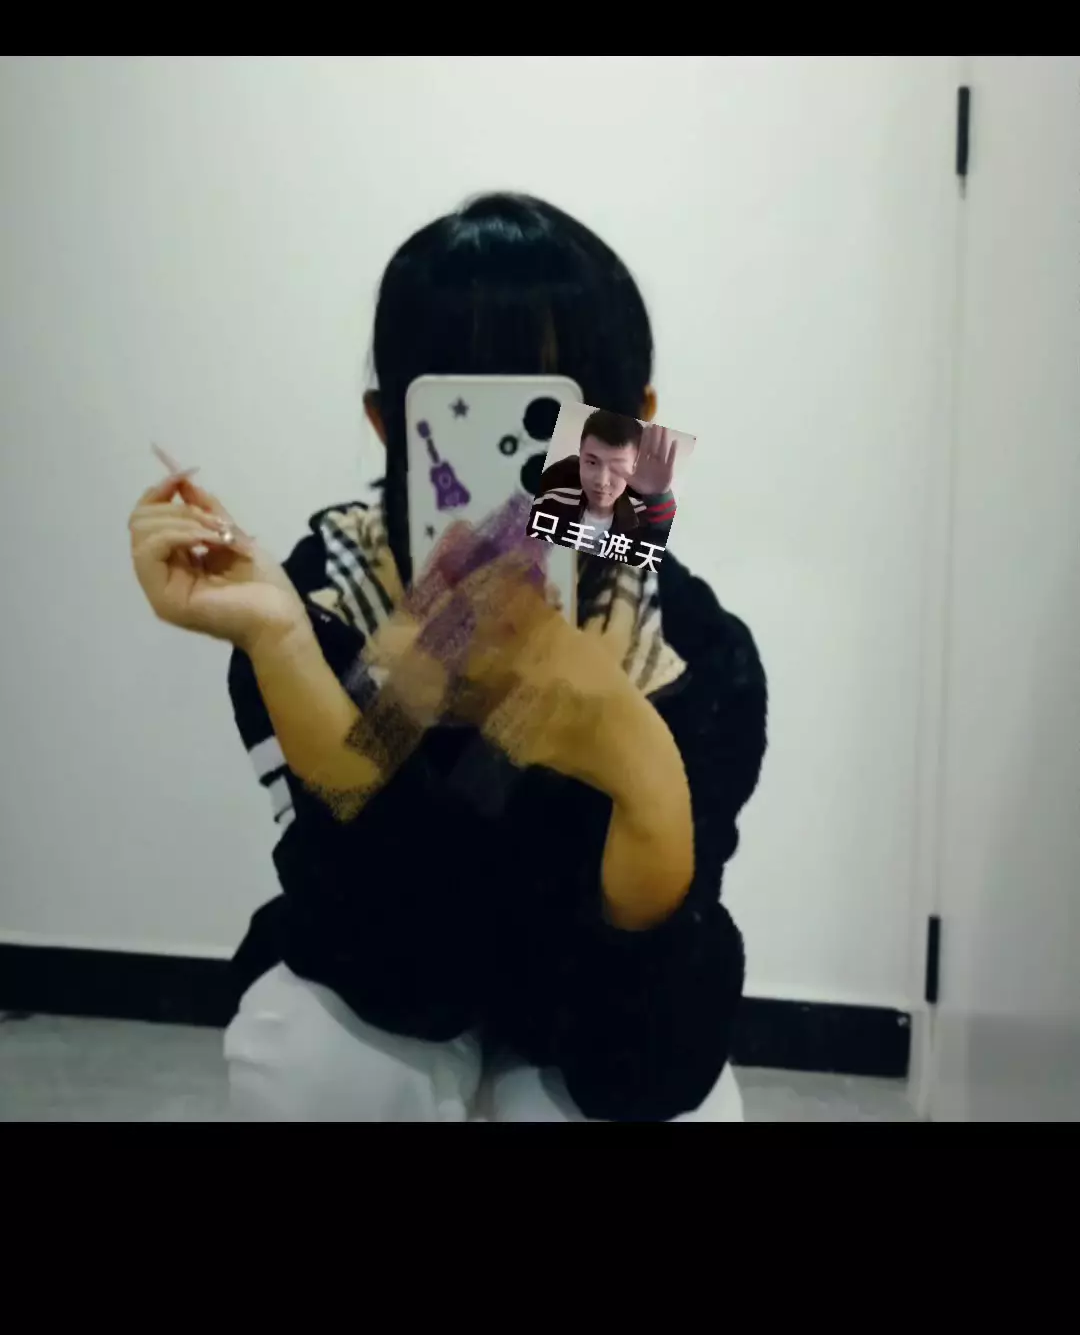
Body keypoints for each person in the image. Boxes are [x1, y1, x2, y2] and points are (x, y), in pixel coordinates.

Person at [128, 192, 767, 1122]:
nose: (526, 482)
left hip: (593, 1012)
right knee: (314, 1065)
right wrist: (288, 649)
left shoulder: (688, 649)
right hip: (389, 973)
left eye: (564, 418)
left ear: (635, 436)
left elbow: (647, 1069)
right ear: (387, 426)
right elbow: (391, 966)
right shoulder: (322, 605)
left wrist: (639, 767)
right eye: (464, 412)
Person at [530, 407, 678, 562]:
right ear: (580, 456)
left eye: (617, 468)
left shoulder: (645, 520)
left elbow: (668, 553)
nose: (602, 481)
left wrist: (658, 496)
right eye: (592, 462)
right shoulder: (549, 504)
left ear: (635, 467)